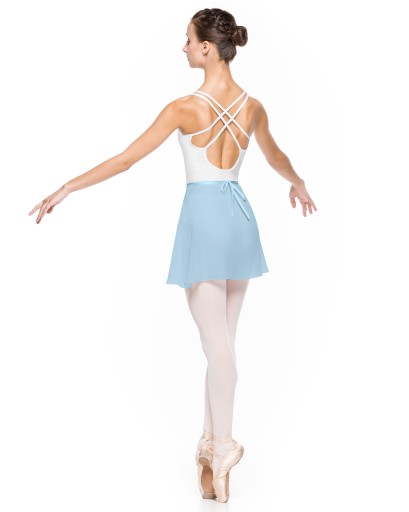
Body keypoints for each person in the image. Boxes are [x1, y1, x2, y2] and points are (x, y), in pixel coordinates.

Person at [28, 7, 317, 503]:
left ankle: (224, 445)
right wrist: (299, 182)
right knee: (223, 342)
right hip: (240, 220)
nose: (183, 48)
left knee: (217, 347)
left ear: (207, 47)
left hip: (204, 222)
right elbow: (275, 157)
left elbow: (126, 159)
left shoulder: (184, 107)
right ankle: (210, 447)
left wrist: (68, 187)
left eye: (187, 40)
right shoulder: (253, 107)